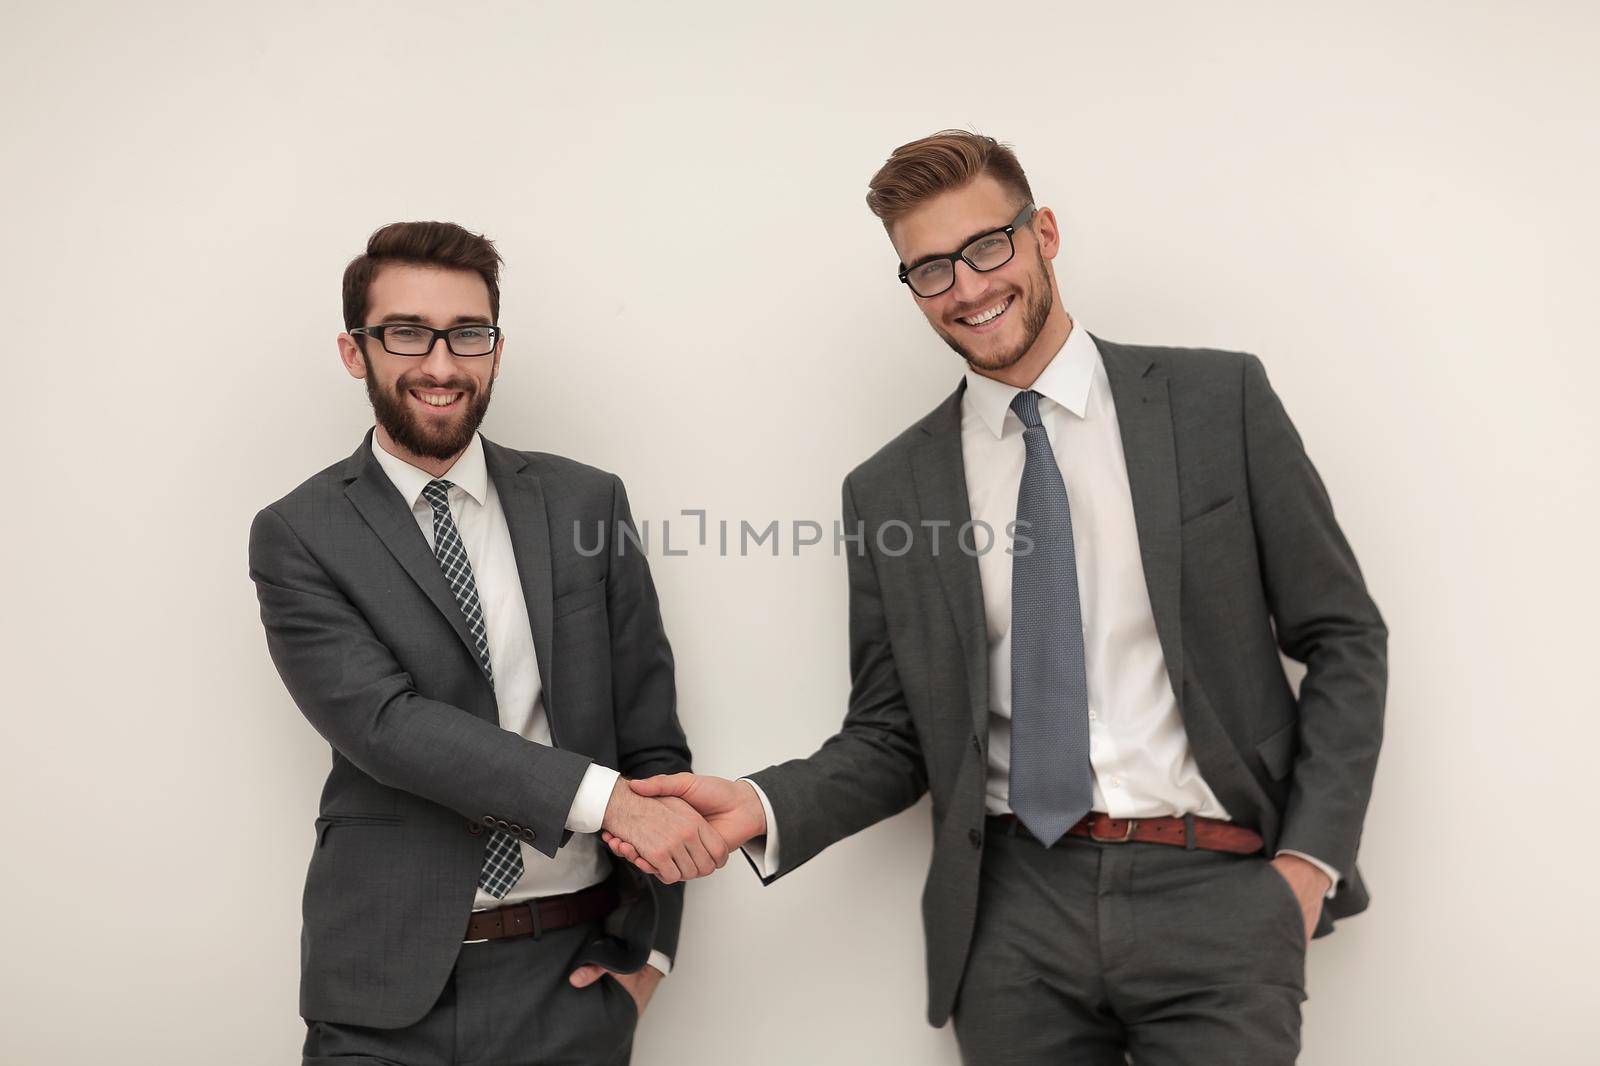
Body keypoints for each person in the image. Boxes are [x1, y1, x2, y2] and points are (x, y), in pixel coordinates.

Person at [606, 132, 1388, 1064]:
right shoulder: (890, 488)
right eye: (931, 269)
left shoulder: (1219, 401)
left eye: (987, 247)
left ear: (1043, 233)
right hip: (1013, 913)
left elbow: (1343, 635)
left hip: (1217, 883)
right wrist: (761, 803)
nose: (969, 288)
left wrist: (1306, 865)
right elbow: (895, 734)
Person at [249, 221, 726, 1065]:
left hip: (572, 978)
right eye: (406, 333)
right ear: (355, 352)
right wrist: (604, 800)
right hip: (384, 993)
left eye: (467, 334)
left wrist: (648, 956)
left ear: (496, 350)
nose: (440, 364)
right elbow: (388, 726)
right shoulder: (299, 533)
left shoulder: (586, 504)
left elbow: (652, 737)